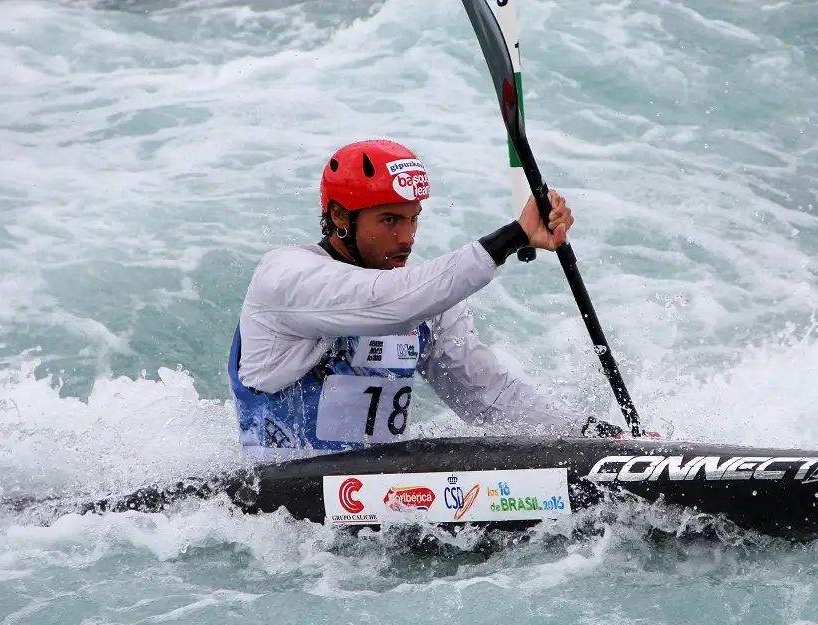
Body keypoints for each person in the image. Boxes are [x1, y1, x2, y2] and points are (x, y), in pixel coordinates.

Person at [227, 139, 623, 460]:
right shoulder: (286, 277)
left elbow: (491, 398)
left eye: (413, 218)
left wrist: (596, 438)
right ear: (340, 217)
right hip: (283, 504)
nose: (406, 237)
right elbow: (387, 305)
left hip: (381, 497)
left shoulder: (423, 301)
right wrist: (513, 237)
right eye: (389, 221)